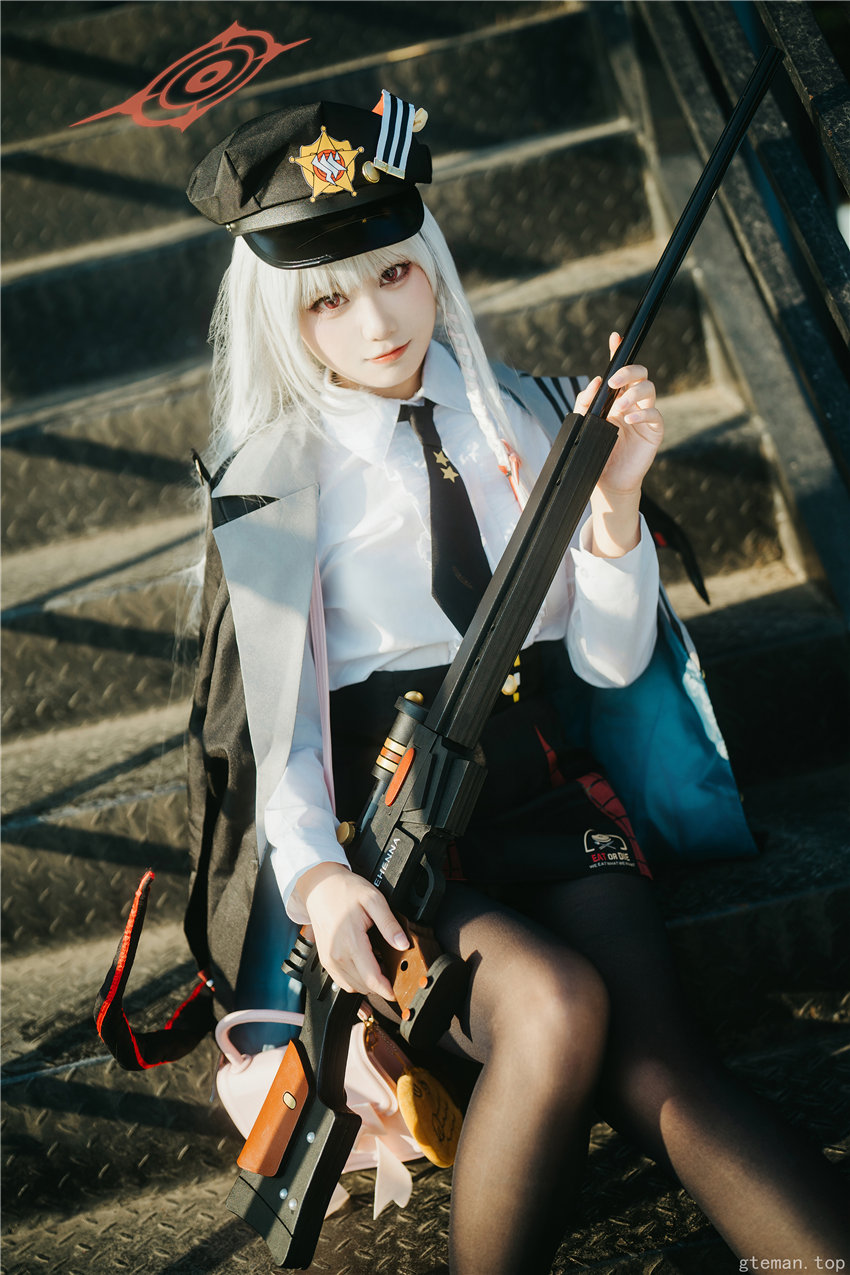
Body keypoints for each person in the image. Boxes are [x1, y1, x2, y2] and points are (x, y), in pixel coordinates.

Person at [184, 95, 849, 1273]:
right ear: (282, 315)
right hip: (401, 839)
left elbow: (608, 665)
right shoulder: (271, 482)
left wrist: (616, 505)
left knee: (666, 1072)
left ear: (430, 260)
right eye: (327, 300)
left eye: (395, 272)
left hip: (551, 796)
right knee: (552, 1007)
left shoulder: (537, 414)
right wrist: (322, 882)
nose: (376, 321)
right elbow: (279, 733)